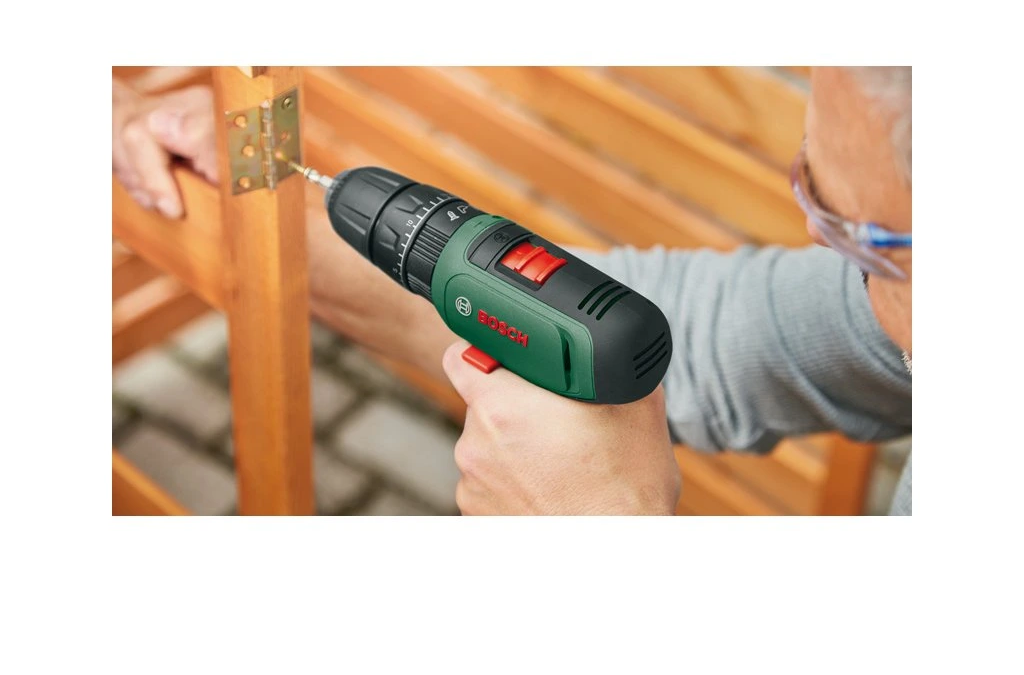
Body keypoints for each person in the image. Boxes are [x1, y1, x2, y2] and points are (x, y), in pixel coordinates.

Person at [112, 67, 912, 515]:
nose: (818, 239)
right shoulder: (895, 304)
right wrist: (250, 204)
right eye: (810, 183)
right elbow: (706, 343)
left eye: (841, 220)